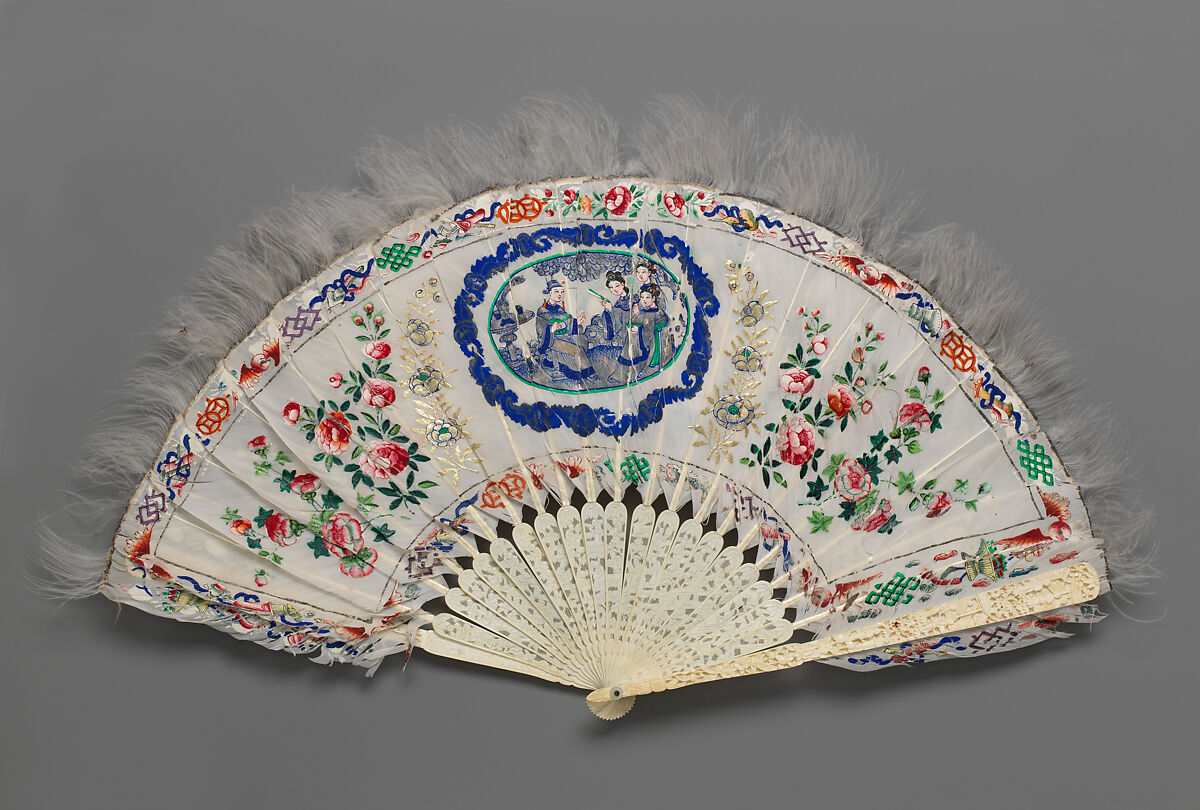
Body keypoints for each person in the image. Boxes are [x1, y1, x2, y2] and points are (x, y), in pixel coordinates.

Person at [532, 278, 597, 390]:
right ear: (550, 293)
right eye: (556, 291)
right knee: (575, 349)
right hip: (552, 341)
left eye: (562, 292)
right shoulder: (542, 311)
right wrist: (551, 329)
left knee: (582, 339)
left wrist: (577, 322)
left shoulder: (560, 309)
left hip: (564, 336)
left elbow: (568, 321)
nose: (560, 294)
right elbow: (541, 330)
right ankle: (587, 372)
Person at [624, 283, 674, 379]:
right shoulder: (643, 312)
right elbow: (635, 322)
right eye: (642, 297)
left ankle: (649, 367)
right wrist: (632, 325)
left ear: (654, 298)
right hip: (644, 342)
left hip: (655, 342)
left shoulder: (659, 313)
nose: (644, 300)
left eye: (647, 297)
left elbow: (660, 326)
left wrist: (639, 329)